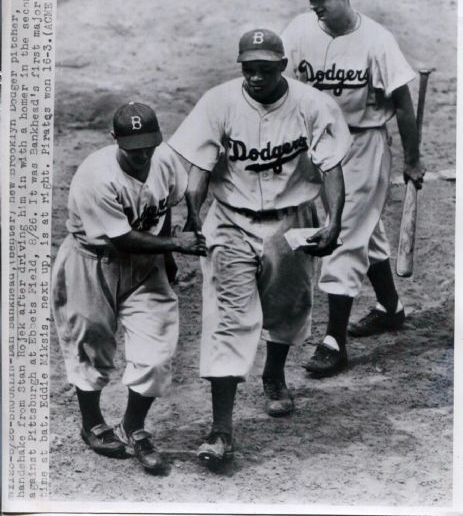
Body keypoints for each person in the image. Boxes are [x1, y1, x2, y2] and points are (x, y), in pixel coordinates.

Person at [168, 28, 351, 467]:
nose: (254, 78)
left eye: (264, 70)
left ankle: (273, 372)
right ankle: (221, 430)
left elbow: (331, 169)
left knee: (287, 307)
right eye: (248, 69)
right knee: (227, 321)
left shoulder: (312, 105)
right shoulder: (219, 101)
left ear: (282, 66)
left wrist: (333, 221)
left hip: (291, 220)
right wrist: (193, 215)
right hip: (231, 220)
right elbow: (199, 168)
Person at [281, 0, 426, 377]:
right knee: (367, 230)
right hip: (318, 147)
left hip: (363, 147)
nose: (314, 3)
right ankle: (390, 306)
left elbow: (403, 104)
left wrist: (413, 159)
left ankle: (334, 341)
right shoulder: (299, 30)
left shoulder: (377, 40)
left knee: (342, 234)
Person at [51, 102, 207, 474]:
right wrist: (175, 247)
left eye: (148, 144)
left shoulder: (164, 160)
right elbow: (121, 239)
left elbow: (166, 203)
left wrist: (166, 257)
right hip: (92, 261)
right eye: (133, 145)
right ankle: (92, 424)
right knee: (91, 342)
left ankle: (134, 427)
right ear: (114, 139)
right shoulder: (96, 176)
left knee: (156, 351)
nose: (142, 153)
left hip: (146, 262)